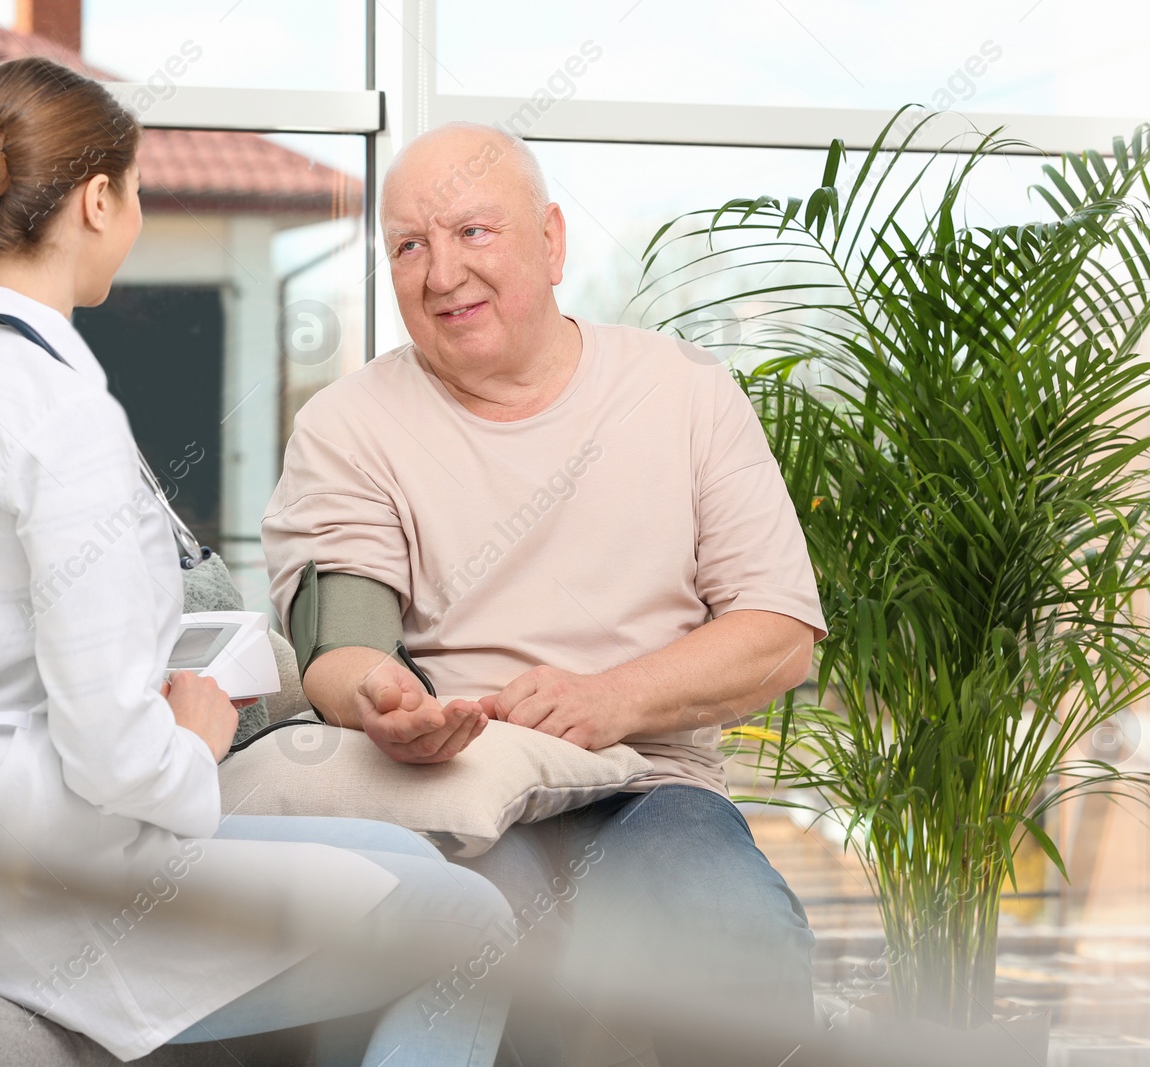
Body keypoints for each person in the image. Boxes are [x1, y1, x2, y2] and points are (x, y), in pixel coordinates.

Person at [0, 59, 509, 1067]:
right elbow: (114, 754)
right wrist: (190, 734)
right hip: (31, 882)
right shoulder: (61, 415)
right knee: (475, 927)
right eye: (137, 189)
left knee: (400, 859)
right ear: (97, 200)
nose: (137, 213)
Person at [261, 121, 828, 1065]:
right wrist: (382, 700)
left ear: (553, 240)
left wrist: (610, 699)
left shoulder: (684, 391)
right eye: (410, 245)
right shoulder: (347, 425)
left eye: (474, 232)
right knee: (496, 951)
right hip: (463, 792)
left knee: (721, 924)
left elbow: (779, 634)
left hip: (651, 787)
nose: (442, 273)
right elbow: (342, 640)